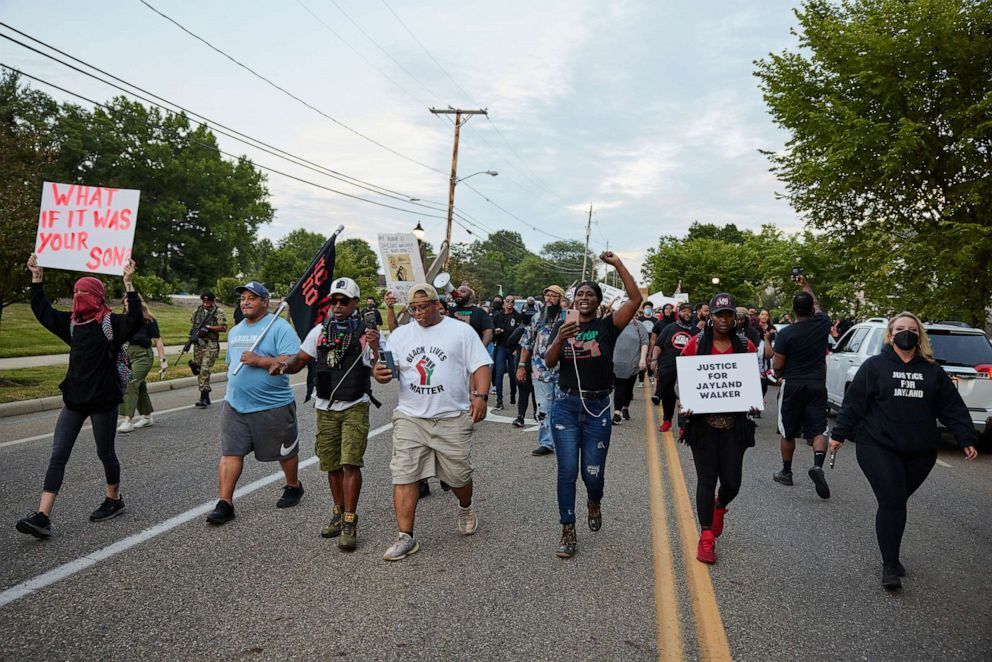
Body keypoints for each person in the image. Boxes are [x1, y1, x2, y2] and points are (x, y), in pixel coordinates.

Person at [829, 312, 978, 589]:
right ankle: (890, 566)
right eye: (900, 328)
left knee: (895, 502)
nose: (905, 333)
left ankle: (892, 555)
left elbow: (952, 407)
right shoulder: (875, 367)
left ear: (919, 336)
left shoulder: (932, 371)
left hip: (920, 452)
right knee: (892, 502)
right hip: (877, 446)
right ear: (890, 334)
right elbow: (854, 404)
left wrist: (965, 437)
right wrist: (838, 436)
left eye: (911, 329)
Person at [16, 254, 142, 538]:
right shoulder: (72, 324)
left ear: (97, 296)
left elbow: (135, 320)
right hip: (73, 402)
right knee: (58, 455)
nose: (79, 297)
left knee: (105, 452)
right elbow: (42, 310)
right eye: (77, 293)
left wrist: (129, 284)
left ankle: (113, 499)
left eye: (85, 293)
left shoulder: (111, 324)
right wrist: (37, 278)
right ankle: (43, 516)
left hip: (103, 402)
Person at [372, 283, 492, 561]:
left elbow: (480, 365)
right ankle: (406, 537)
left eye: (423, 307)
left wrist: (481, 396)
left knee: (458, 477)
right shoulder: (401, 335)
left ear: (437, 305)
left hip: (451, 417)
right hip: (411, 417)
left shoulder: (460, 331)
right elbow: (389, 372)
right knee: (404, 474)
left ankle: (465, 505)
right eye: (413, 308)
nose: (418, 312)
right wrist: (380, 373)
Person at [544, 253, 642, 559]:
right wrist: (559, 338)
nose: (583, 298)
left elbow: (635, 299)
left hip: (598, 408)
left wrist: (617, 266)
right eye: (579, 295)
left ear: (598, 302)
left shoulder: (607, 326)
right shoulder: (562, 326)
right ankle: (568, 529)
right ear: (573, 302)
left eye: (590, 294)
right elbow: (548, 363)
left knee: (592, 474)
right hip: (566, 406)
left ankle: (594, 500)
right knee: (567, 470)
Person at [281, 278, 379, 551]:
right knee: (332, 464)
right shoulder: (319, 332)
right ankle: (337, 512)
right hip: (325, 407)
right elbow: (299, 360)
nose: (337, 306)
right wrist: (283, 366)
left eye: (343, 301)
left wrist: (377, 347)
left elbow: (379, 370)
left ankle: (350, 520)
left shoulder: (364, 333)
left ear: (355, 304)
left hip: (354, 405)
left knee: (350, 463)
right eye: (334, 301)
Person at [205, 281, 303, 525]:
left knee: (285, 452)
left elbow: (291, 360)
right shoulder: (235, 330)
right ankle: (225, 503)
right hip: (235, 405)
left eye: (252, 298)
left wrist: (259, 361)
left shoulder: (279, 327)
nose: (246, 302)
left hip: (273, 405)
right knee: (230, 453)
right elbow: (232, 363)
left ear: (265, 302)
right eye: (243, 298)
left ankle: (293, 485)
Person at [678, 293, 758, 565]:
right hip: (703, 425)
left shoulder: (745, 345)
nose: (724, 320)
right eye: (718, 314)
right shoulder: (696, 343)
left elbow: (752, 383)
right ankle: (707, 536)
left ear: (735, 317)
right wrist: (684, 402)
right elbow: (683, 380)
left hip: (735, 425)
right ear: (709, 317)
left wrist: (754, 403)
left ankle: (720, 507)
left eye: (728, 315)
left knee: (732, 482)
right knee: (706, 479)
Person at [771, 275, 833, 499]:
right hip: (816, 383)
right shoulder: (822, 324)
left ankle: (786, 472)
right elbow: (816, 303)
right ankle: (817, 465)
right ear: (811, 309)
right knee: (819, 428)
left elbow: (778, 364)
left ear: (794, 310)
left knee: (788, 431)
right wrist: (805, 283)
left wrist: (777, 374)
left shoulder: (786, 333)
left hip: (793, 384)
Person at [517, 285, 565, 457]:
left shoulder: (567, 318)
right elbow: (526, 343)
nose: (549, 299)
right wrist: (522, 365)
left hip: (563, 373)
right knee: (544, 408)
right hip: (540, 372)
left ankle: (563, 442)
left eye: (553, 296)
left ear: (560, 299)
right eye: (547, 295)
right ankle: (546, 443)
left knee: (562, 408)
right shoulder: (537, 318)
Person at [118, 295, 168, 433]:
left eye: (130, 304)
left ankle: (128, 420)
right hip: (127, 355)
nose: (127, 306)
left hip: (143, 356)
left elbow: (158, 340)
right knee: (139, 386)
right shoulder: (123, 319)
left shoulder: (148, 319)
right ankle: (146, 417)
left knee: (131, 383)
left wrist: (163, 361)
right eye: (126, 304)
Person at [650, 303, 700, 432]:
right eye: (684, 311)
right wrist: (654, 359)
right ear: (679, 313)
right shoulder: (669, 328)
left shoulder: (696, 332)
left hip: (688, 370)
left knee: (685, 397)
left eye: (690, 311)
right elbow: (658, 345)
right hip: (668, 368)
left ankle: (683, 424)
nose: (687, 314)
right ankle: (667, 420)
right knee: (667, 395)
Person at [189, 291, 228, 408]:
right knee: (199, 369)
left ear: (213, 301)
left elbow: (223, 327)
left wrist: (209, 328)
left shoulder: (218, 311)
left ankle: (204, 397)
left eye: (208, 301)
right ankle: (204, 394)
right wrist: (194, 335)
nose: (206, 304)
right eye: (204, 301)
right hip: (199, 344)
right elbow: (193, 323)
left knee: (204, 369)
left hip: (211, 344)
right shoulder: (198, 310)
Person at [611, 317, 649, 424]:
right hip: (617, 361)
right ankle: (617, 413)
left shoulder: (638, 325)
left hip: (633, 361)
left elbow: (645, 342)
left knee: (628, 387)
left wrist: (642, 359)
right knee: (620, 386)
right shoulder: (615, 323)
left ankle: (625, 407)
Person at [492, 295, 522, 409]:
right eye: (507, 301)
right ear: (504, 302)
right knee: (499, 372)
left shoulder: (517, 316)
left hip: (512, 348)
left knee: (512, 374)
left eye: (512, 301)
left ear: (514, 303)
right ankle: (499, 400)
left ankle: (513, 396)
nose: (509, 303)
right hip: (501, 346)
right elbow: (491, 330)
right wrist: (496, 332)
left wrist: (517, 348)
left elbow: (521, 333)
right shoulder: (498, 316)